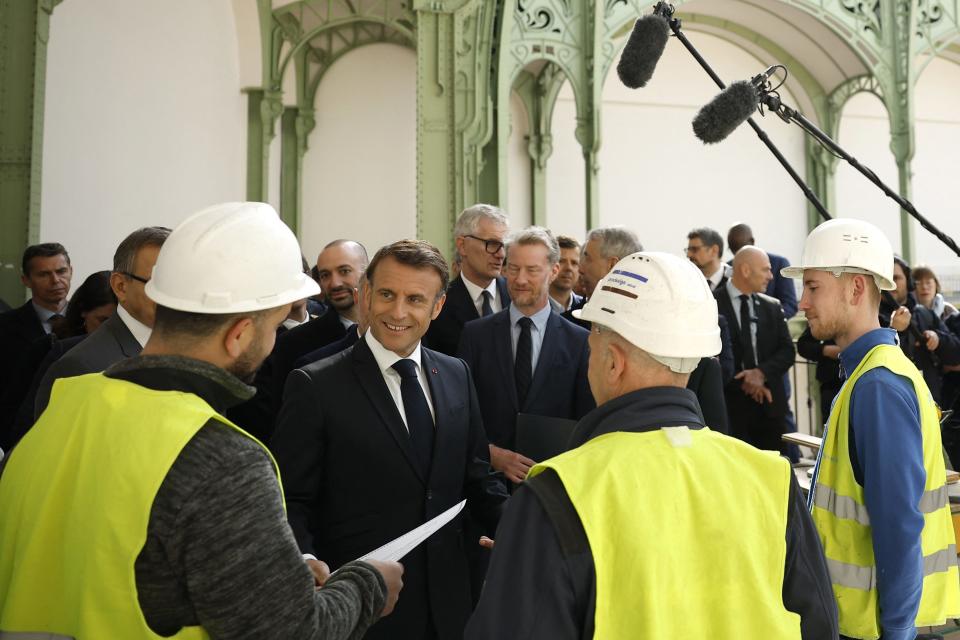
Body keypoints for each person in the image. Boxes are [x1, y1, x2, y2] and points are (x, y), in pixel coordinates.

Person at [0, 202, 403, 639]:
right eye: (271, 329)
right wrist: (368, 585)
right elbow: (291, 632)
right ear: (239, 334)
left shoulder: (67, 408)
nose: (272, 345)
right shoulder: (221, 457)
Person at [465, 252, 838, 639]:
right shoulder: (770, 479)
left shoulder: (559, 492)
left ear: (614, 363)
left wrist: (526, 563)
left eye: (591, 348)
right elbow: (819, 624)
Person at [272, 239, 508, 640]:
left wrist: (524, 528)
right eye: (386, 294)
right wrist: (306, 559)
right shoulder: (315, 384)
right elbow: (289, 499)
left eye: (415, 299)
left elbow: (476, 476)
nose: (398, 312)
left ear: (436, 307)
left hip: (451, 605)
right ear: (366, 295)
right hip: (364, 609)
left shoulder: (457, 374)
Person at [783, 217, 960, 640]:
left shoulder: (877, 385)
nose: (802, 304)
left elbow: (900, 525)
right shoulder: (868, 373)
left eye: (813, 287)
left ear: (856, 288)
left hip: (883, 628)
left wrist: (897, 630)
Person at [457, 227, 593, 485]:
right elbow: (460, 413)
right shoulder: (476, 335)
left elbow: (585, 421)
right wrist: (491, 454)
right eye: (513, 268)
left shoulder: (579, 342)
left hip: (554, 487)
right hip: (484, 487)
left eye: (531, 270)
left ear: (553, 271)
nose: (519, 279)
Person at [231, 239, 369, 440]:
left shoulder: (397, 331)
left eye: (344, 271)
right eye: (325, 275)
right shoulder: (289, 344)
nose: (335, 283)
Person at [33, 227, 171, 418]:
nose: (175, 295)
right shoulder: (81, 368)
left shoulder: (198, 349)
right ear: (120, 286)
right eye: (161, 282)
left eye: (181, 282)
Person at [0, 271, 116, 451]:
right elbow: (23, 420)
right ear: (83, 312)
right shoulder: (52, 349)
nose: (112, 331)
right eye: (103, 321)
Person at [715, 246, 795, 452]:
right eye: (766, 270)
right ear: (745, 270)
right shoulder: (711, 303)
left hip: (769, 410)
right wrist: (747, 382)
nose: (770, 276)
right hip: (730, 411)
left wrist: (760, 373)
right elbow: (713, 355)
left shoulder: (773, 306)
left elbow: (787, 351)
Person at [424, 204, 510, 356]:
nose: (501, 254)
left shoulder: (517, 296)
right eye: (492, 244)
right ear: (462, 245)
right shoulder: (438, 305)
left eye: (503, 245)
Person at [880, 257, 960, 403]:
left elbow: (956, 353)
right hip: (892, 405)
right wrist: (893, 331)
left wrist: (938, 340)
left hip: (930, 408)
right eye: (885, 279)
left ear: (909, 283)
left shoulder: (924, 315)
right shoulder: (871, 319)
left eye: (896, 278)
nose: (891, 284)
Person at [0, 243, 72, 392]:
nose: (55, 280)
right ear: (25, 280)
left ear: (71, 271)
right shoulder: (5, 326)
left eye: (61, 271)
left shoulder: (90, 321)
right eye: (44, 274)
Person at [727, 223, 798, 318]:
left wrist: (766, 322)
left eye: (742, 246)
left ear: (752, 241)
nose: (739, 253)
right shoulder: (728, 268)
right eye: (734, 249)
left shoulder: (778, 264)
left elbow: (790, 305)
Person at [686, 226, 731, 291]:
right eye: (688, 250)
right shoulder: (686, 279)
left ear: (714, 250)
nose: (688, 255)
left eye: (694, 249)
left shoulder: (735, 280)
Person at [548, 235, 584, 313]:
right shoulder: (534, 308)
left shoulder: (586, 308)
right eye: (561, 261)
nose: (569, 268)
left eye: (574, 263)